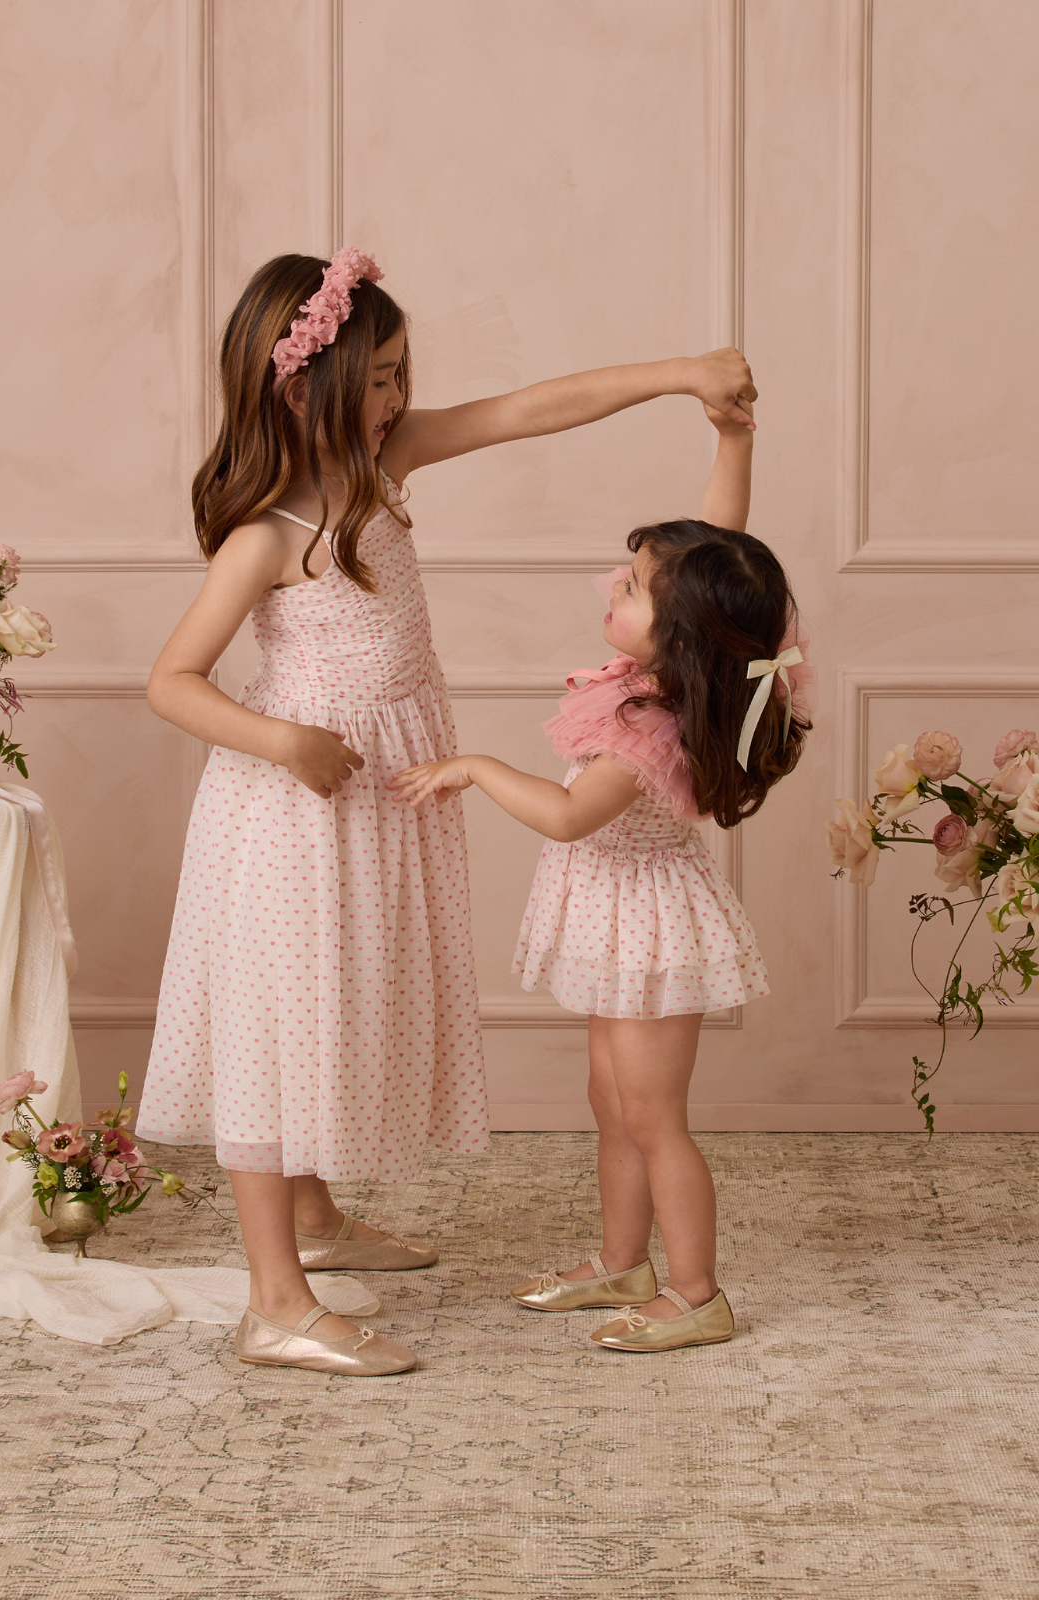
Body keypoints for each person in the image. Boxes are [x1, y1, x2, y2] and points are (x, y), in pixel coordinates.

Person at [138, 245, 758, 1375]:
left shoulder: (384, 469)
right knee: (284, 1023)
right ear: (302, 386)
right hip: (296, 804)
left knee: (343, 995)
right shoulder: (268, 533)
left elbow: (529, 409)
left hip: (384, 780)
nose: (398, 400)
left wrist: (681, 374)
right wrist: (287, 738)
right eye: (377, 380)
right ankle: (274, 1300)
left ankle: (314, 1218)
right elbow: (170, 681)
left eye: (401, 374)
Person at [393, 399, 809, 1353]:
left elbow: (571, 816)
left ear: (681, 631)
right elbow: (723, 545)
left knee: (655, 1115)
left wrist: (475, 767)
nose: (608, 590)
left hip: (650, 925)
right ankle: (624, 1261)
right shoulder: (673, 672)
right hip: (614, 914)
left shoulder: (654, 724)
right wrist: (735, 438)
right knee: (611, 1102)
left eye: (629, 587)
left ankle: (698, 1294)